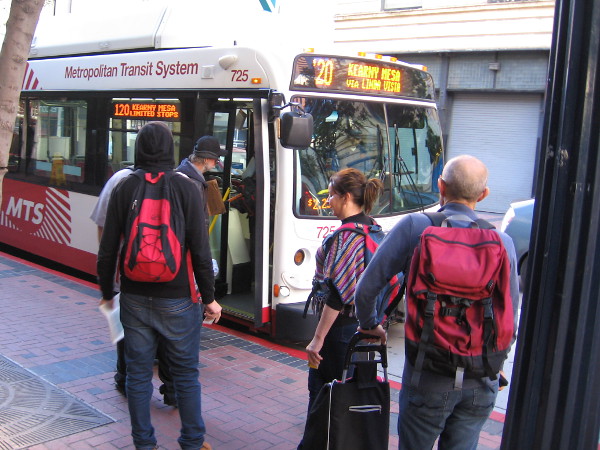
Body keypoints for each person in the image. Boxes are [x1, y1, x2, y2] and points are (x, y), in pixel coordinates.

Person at [354, 155, 519, 450]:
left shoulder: (415, 227)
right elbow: (510, 314)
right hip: (481, 379)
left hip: (427, 377)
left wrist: (370, 325)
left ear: (441, 186)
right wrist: (497, 359)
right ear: (483, 195)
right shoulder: (501, 241)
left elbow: (366, 290)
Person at [97, 122, 221, 450]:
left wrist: (108, 294)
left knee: (138, 376)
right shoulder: (186, 187)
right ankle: (192, 442)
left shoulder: (124, 186)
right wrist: (209, 298)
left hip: (134, 297)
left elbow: (108, 248)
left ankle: (144, 443)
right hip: (178, 297)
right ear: (169, 148)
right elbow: (200, 249)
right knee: (185, 374)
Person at [302, 168, 384, 427]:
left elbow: (337, 293)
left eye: (332, 195)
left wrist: (317, 339)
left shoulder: (346, 237)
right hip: (362, 327)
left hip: (339, 332)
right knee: (350, 395)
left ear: (347, 197)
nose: (328, 201)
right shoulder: (372, 227)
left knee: (323, 395)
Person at [90, 167, 177, 406]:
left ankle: (126, 380)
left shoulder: (120, 180)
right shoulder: (180, 181)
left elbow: (102, 228)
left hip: (126, 276)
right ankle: (171, 389)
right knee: (166, 333)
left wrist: (107, 287)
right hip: (167, 277)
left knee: (126, 333)